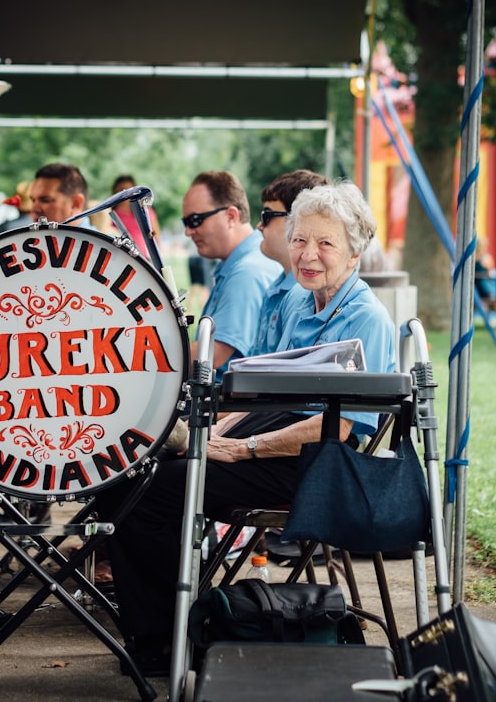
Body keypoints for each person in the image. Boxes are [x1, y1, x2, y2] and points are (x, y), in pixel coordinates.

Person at [101, 180, 396, 676]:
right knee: (130, 470)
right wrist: (213, 436)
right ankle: (164, 628)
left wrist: (243, 449)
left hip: (319, 464)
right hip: (273, 438)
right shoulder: (302, 303)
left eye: (326, 243)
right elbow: (258, 392)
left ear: (354, 251)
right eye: (300, 239)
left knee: (155, 492)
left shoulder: (366, 317)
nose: (308, 254)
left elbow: (341, 427)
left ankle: (168, 641)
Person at [184, 171, 282, 373]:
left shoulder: (246, 273)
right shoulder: (244, 264)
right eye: (186, 223)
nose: (188, 231)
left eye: (195, 220)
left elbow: (212, 356)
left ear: (231, 216)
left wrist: (146, 358)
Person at [253, 169, 328, 355]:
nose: (259, 225)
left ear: (297, 220)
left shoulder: (309, 295)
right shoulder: (277, 287)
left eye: (267, 215)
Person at [29, 162, 95, 229]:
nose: (34, 209)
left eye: (45, 200)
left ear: (76, 203)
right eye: (33, 200)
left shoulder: (97, 239)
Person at [111, 174, 161, 253]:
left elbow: (156, 233)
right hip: (119, 256)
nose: (125, 194)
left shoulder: (144, 211)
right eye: (121, 190)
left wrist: (151, 237)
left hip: (144, 258)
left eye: (128, 191)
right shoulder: (110, 214)